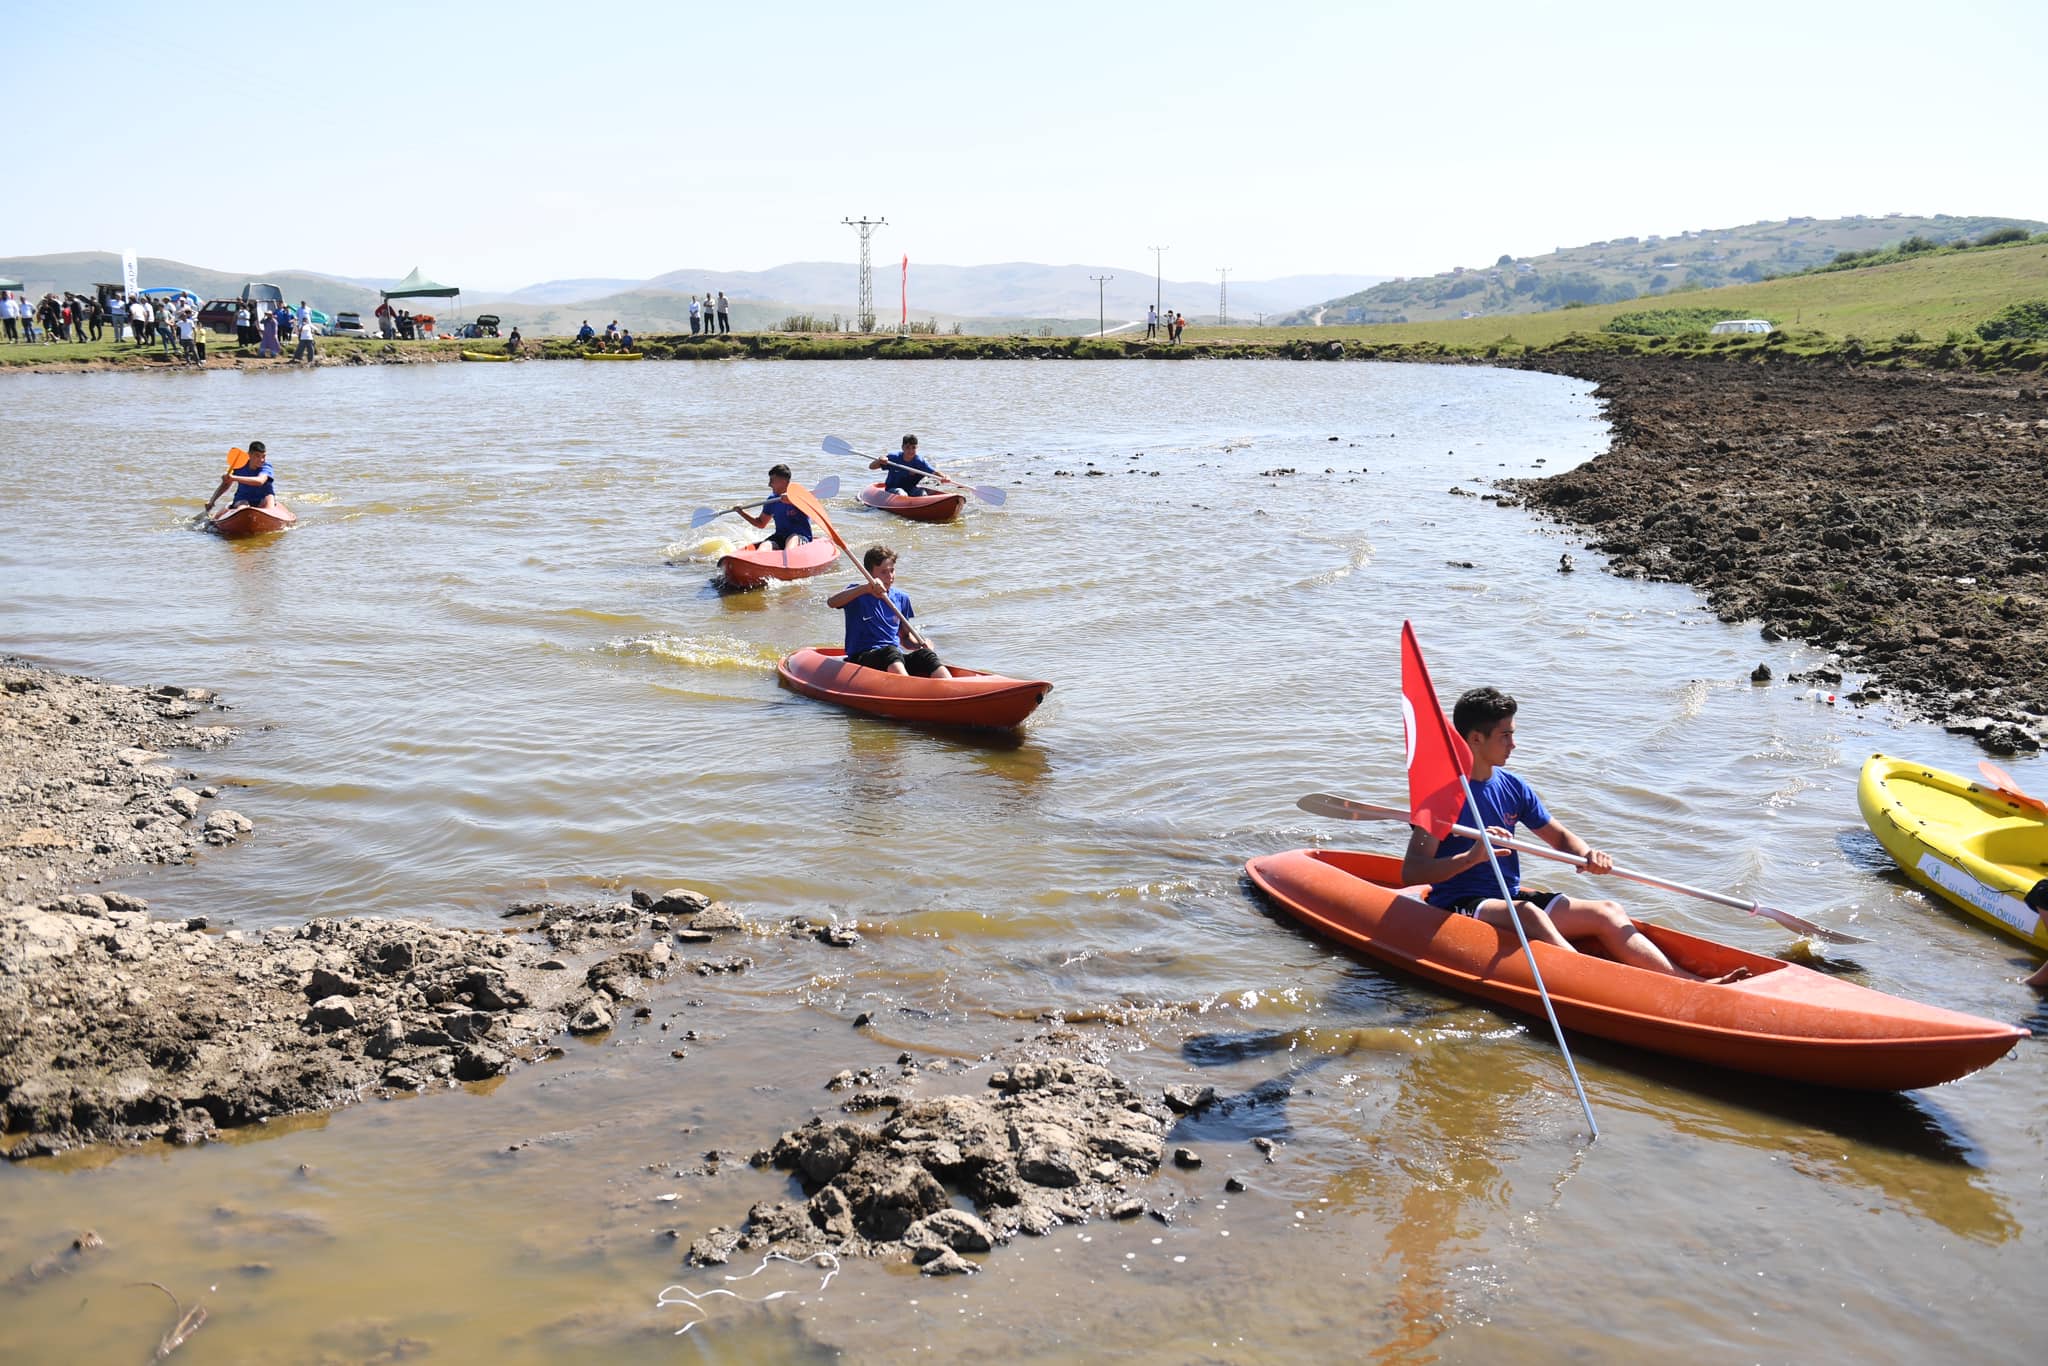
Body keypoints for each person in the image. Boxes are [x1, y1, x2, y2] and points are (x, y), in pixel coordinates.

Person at [1400, 686, 1750, 984]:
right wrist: (1471, 858)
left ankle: (1690, 984)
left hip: (1505, 896)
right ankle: (1603, 985)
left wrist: (1587, 854)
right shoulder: (1442, 795)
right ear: (1475, 739)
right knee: (1530, 915)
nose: (1514, 744)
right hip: (1459, 904)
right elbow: (1413, 871)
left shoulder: (1512, 786)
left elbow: (1559, 837)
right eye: (1506, 735)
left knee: (1608, 911)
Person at [827, 546, 952, 679]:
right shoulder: (857, 593)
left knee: (926, 655)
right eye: (884, 572)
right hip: (862, 657)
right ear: (869, 575)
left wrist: (920, 644)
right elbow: (832, 602)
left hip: (893, 657)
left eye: (892, 571)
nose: (890, 576)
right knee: (890, 652)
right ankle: (908, 688)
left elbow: (904, 638)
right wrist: (865, 589)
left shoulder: (901, 598)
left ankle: (950, 688)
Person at [731, 464, 812, 549]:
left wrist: (792, 500)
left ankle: (788, 558)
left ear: (783, 481)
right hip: (780, 537)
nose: (769, 484)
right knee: (765, 545)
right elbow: (761, 523)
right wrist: (741, 512)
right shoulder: (772, 500)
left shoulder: (799, 495)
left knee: (793, 539)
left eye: (772, 480)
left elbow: (810, 507)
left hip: (800, 537)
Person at [206, 441, 281, 514]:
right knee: (243, 506)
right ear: (249, 455)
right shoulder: (239, 466)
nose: (261, 460)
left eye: (263, 456)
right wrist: (212, 501)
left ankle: (269, 517)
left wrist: (233, 477)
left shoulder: (266, 467)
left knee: (270, 497)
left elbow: (260, 481)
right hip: (243, 498)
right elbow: (225, 485)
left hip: (263, 498)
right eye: (257, 456)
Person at [870, 434, 937, 495]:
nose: (910, 451)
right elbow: (871, 467)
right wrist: (879, 460)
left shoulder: (920, 461)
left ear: (917, 448)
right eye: (907, 447)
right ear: (902, 447)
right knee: (901, 493)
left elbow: (934, 472)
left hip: (910, 489)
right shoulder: (894, 457)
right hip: (892, 489)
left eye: (913, 447)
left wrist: (944, 477)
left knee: (922, 493)